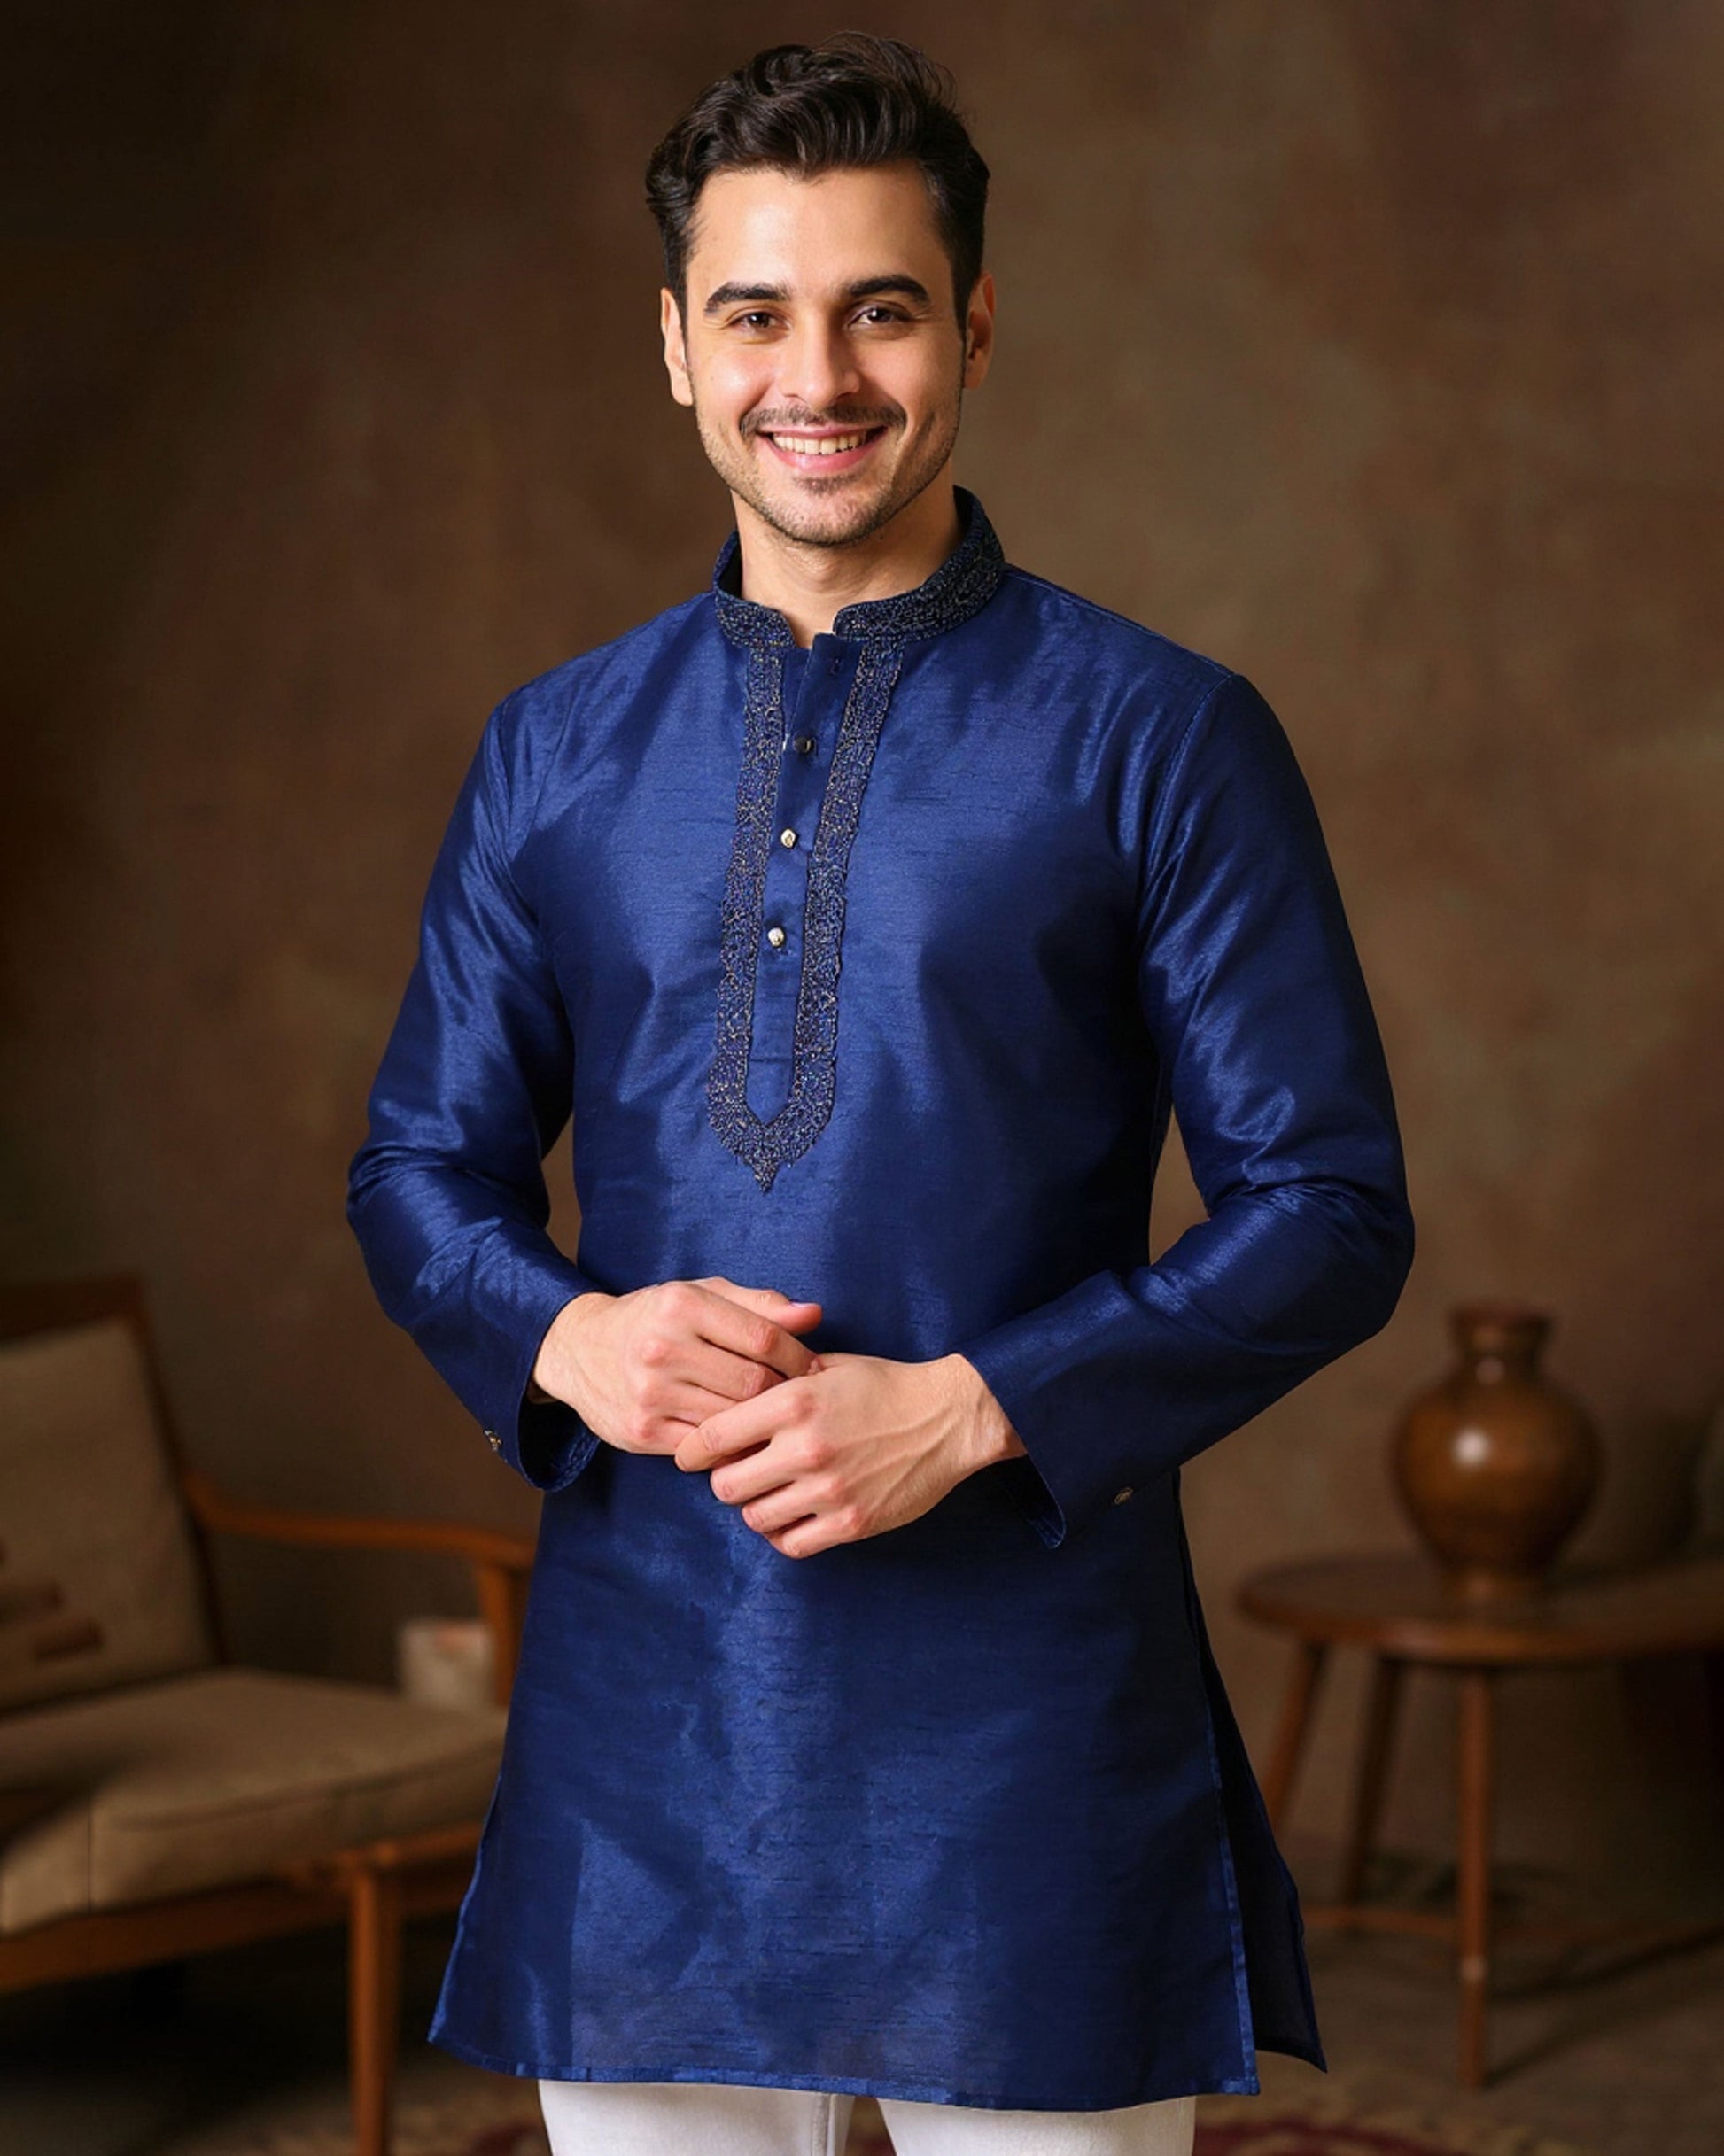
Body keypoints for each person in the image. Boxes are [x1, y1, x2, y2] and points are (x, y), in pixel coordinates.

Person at [346, 31, 1414, 2156]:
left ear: (978, 326)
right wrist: (567, 1329)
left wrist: (978, 1402)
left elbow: (1329, 1202)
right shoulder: (554, 751)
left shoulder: (1156, 735)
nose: (812, 374)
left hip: (1021, 1722)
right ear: (671, 345)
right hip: (649, 1717)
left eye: (880, 305)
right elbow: (417, 1165)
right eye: (753, 310)